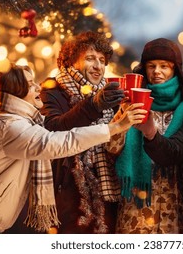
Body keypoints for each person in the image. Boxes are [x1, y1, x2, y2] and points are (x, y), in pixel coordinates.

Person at [0, 64, 145, 234]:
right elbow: (56, 142)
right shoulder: (9, 126)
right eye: (30, 85)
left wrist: (95, 104)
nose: (38, 88)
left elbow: (61, 126)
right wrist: (115, 128)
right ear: (17, 93)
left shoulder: (23, 121)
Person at [39, 31, 130, 233]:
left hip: (107, 190)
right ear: (71, 61)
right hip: (69, 190)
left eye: (102, 60)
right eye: (90, 58)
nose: (98, 66)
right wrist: (93, 105)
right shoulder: (53, 90)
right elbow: (53, 128)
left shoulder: (108, 94)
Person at [111, 38, 183, 234]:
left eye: (164, 66)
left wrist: (150, 132)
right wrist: (124, 116)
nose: (157, 71)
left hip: (175, 203)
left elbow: (181, 151)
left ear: (175, 69)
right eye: (151, 66)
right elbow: (112, 148)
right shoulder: (131, 101)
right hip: (137, 204)